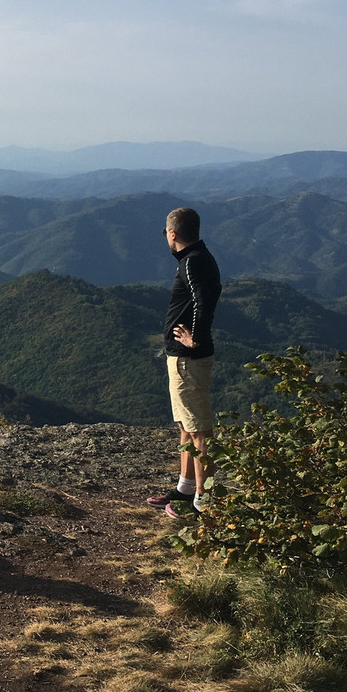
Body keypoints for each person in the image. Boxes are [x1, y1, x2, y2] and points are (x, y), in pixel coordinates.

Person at [146, 207, 221, 519]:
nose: (165, 236)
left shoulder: (191, 263)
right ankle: (185, 488)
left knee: (199, 430)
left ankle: (203, 502)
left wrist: (197, 340)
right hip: (183, 359)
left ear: (172, 234)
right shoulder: (198, 258)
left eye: (165, 232)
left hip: (188, 360)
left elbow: (205, 299)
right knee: (185, 425)